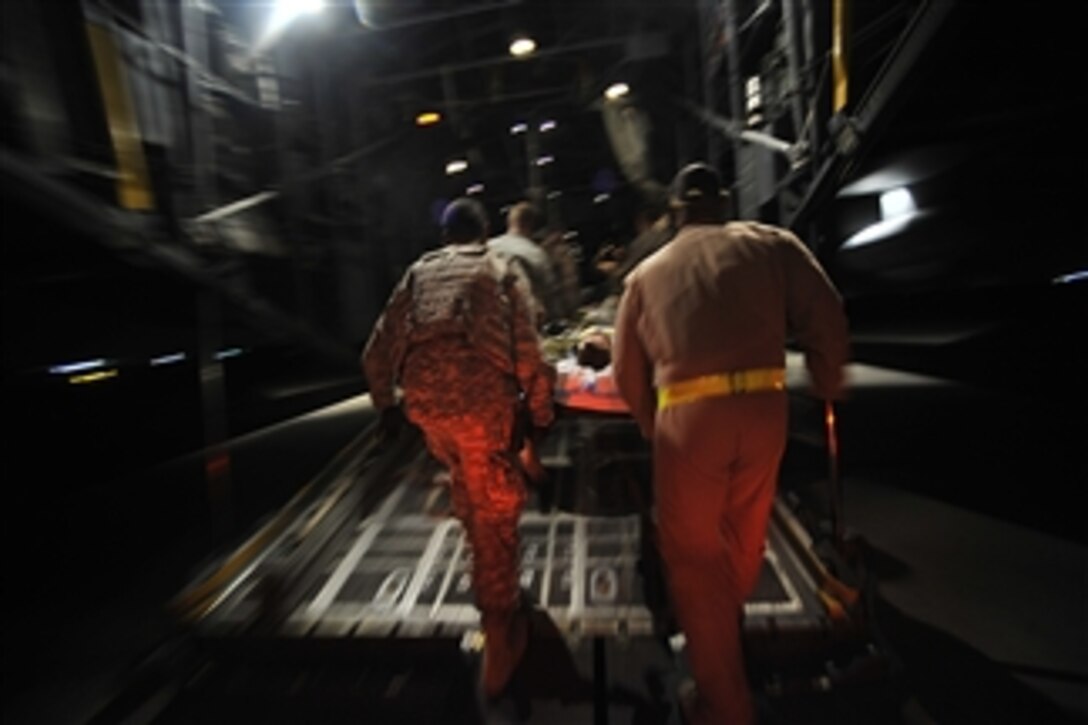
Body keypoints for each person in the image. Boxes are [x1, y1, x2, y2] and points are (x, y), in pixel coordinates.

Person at [611, 163, 850, 724]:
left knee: (692, 560)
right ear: (725, 203)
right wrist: (827, 378)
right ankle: (721, 630)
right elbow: (827, 314)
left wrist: (652, 423)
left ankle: (726, 704)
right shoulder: (773, 244)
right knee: (744, 531)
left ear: (675, 213)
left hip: (691, 417)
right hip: (766, 408)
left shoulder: (646, 274)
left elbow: (626, 371)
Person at [361, 197, 556, 699]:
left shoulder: (418, 273)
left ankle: (490, 572)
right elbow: (530, 352)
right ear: (485, 233)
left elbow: (376, 350)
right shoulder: (499, 269)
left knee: (472, 491)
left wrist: (387, 409)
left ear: (446, 237)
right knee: (496, 513)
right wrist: (539, 416)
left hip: (429, 409)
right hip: (481, 406)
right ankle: (500, 641)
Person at [488, 201, 560, 326]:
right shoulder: (535, 254)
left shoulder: (487, 247)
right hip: (526, 325)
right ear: (531, 224)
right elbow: (550, 296)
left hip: (490, 324)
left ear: (509, 221)